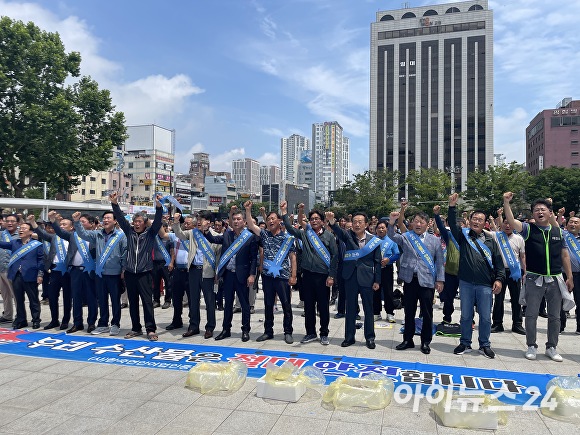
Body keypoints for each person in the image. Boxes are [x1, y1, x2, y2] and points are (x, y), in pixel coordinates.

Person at [503, 192, 573, 362]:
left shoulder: (558, 232)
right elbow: (512, 222)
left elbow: (564, 255)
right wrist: (506, 202)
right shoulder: (528, 229)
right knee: (532, 314)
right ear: (532, 214)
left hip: (555, 279)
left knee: (555, 316)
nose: (539, 212)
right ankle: (531, 346)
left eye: (543, 209)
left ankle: (551, 347)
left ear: (550, 213)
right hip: (535, 279)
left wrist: (569, 276)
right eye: (536, 210)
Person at [448, 193, 505, 359]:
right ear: (470, 220)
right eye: (474, 218)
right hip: (465, 283)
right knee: (466, 316)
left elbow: (499, 263)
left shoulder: (490, 241)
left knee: (486, 318)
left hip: (485, 285)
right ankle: (465, 342)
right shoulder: (463, 237)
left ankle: (484, 345)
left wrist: (499, 279)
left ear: (485, 222)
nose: (476, 221)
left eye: (480, 219)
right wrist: (452, 207)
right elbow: (452, 224)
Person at [388, 206, 444, 355]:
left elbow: (439, 262)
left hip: (427, 281)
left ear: (427, 224)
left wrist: (440, 280)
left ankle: (425, 341)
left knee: (427, 312)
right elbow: (392, 236)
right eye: (416, 222)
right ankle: (408, 339)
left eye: (421, 222)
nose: (418, 224)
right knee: (409, 311)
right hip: (409, 280)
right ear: (412, 224)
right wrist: (392, 222)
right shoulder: (407, 236)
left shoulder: (435, 240)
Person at [282, 202, 338, 345]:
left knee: (323, 306)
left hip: (323, 276)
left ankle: (324, 333)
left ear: (322, 221)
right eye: (312, 218)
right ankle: (310, 333)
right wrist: (284, 213)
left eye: (316, 218)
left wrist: (331, 276)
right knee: (308, 305)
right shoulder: (305, 234)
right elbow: (289, 228)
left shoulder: (329, 236)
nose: (314, 221)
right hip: (307, 275)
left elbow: (335, 256)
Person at [111, 191, 163, 341]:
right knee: (133, 302)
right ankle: (136, 328)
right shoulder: (129, 232)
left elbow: (158, 222)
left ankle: (150, 329)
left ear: (145, 222)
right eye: (135, 221)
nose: (137, 224)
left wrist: (159, 208)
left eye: (140, 221)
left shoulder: (150, 234)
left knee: (147, 302)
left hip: (145, 273)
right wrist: (114, 204)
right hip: (129, 273)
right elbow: (120, 218)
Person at [203, 206, 258, 342]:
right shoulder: (227, 234)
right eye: (234, 219)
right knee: (227, 303)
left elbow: (254, 258)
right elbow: (214, 240)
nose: (236, 221)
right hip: (228, 275)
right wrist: (206, 230)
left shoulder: (250, 237)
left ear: (244, 222)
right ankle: (226, 329)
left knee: (245, 304)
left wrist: (252, 275)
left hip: (242, 275)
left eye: (239, 219)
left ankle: (245, 330)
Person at [327, 211, 382, 349]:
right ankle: (349, 337)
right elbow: (339, 231)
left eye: (360, 222)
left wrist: (377, 280)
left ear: (367, 224)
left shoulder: (374, 240)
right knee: (350, 309)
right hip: (350, 277)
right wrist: (332, 221)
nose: (357, 224)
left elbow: (377, 262)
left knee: (368, 310)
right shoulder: (347, 236)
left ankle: (370, 337)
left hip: (367, 278)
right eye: (355, 222)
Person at [245, 201, 296, 344]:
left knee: (286, 304)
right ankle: (268, 331)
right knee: (268, 304)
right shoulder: (265, 235)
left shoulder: (287, 238)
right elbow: (251, 225)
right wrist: (248, 211)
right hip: (268, 276)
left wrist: (293, 275)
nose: (270, 221)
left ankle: (288, 331)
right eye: (268, 219)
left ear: (280, 221)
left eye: (273, 218)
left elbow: (293, 257)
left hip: (283, 276)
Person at [40, 211, 98, 334]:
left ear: (91, 224)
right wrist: (53, 220)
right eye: (78, 221)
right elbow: (60, 232)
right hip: (75, 271)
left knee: (91, 298)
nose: (80, 224)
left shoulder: (96, 236)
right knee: (76, 298)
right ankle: (77, 323)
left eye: (83, 222)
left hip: (90, 271)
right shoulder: (73, 236)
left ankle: (92, 323)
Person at [72, 210, 127, 336]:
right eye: (104, 218)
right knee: (102, 300)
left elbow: (124, 253)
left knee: (115, 301)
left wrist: (123, 270)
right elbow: (83, 234)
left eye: (108, 218)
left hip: (115, 274)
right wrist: (77, 222)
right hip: (100, 273)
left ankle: (115, 324)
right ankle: (103, 324)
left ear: (115, 221)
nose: (106, 220)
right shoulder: (97, 234)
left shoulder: (120, 236)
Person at [170, 211, 221, 339]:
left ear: (209, 222)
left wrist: (217, 274)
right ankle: (193, 326)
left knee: (210, 301)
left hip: (208, 272)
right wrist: (176, 222)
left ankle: (210, 327)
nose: (199, 221)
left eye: (202, 219)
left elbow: (218, 257)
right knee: (193, 300)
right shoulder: (193, 233)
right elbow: (180, 234)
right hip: (193, 270)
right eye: (198, 219)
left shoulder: (216, 236)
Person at [29, 215, 74, 330]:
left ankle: (65, 320)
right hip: (54, 271)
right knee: (52, 296)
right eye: (61, 224)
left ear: (71, 227)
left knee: (67, 297)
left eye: (65, 225)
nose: (62, 226)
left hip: (68, 271)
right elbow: (41, 233)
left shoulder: (73, 238)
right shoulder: (54, 237)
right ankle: (54, 320)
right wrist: (33, 222)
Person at [0, 222, 44, 329]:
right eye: (20, 228)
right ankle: (21, 319)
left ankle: (36, 320)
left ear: (30, 232)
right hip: (16, 275)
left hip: (31, 275)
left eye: (24, 228)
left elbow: (41, 260)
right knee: (19, 300)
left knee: (33, 300)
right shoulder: (15, 243)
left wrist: (40, 274)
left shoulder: (36, 244)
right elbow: (2, 244)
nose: (21, 230)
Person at [490, 211, 526, 335]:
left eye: (510, 223)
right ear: (502, 224)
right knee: (498, 298)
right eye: (505, 223)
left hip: (515, 272)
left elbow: (522, 257)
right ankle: (497, 323)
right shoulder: (496, 236)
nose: (507, 225)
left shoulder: (519, 239)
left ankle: (517, 324)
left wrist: (525, 272)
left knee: (516, 299)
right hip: (499, 272)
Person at [433, 206, 460, 324]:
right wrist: (436, 215)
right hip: (450, 271)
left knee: (468, 298)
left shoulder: (467, 237)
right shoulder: (449, 236)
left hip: (465, 273)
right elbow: (440, 227)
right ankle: (447, 317)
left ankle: (470, 320)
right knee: (449, 297)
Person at [373, 220, 400, 323]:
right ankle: (376, 313)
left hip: (387, 269)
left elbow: (397, 254)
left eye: (383, 227)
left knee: (388, 292)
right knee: (375, 291)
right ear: (376, 230)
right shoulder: (373, 240)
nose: (381, 229)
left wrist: (389, 260)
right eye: (379, 228)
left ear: (387, 229)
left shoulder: (391, 240)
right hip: (375, 269)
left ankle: (390, 313)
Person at [0, 214, 19, 324]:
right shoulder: (1, 234)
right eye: (7, 221)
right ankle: (7, 315)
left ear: (17, 223)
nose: (10, 223)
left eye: (12, 221)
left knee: (15, 294)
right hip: (1, 267)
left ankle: (20, 315)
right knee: (5, 294)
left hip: (13, 269)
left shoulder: (20, 235)